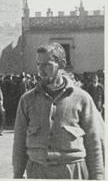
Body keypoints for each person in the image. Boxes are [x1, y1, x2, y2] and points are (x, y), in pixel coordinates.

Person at [13, 43, 105, 179]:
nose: (40, 71)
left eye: (46, 65)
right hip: (38, 172)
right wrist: (17, 175)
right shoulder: (27, 100)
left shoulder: (81, 98)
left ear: (61, 64)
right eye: (38, 64)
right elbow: (19, 141)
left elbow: (94, 143)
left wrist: (98, 176)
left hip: (72, 171)